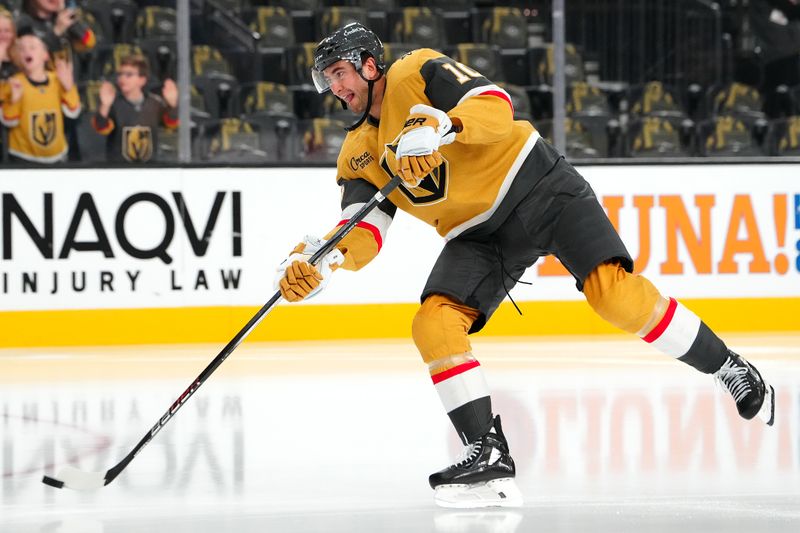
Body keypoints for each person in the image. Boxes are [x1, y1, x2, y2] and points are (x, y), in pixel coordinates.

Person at [274, 23, 776, 508]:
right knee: (432, 323)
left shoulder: (416, 72)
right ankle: (486, 450)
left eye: (340, 72)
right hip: (478, 236)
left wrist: (443, 123)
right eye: (327, 79)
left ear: (369, 64)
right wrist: (324, 258)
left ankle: (730, 366)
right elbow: (365, 230)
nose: (335, 87)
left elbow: (496, 106)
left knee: (613, 294)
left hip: (538, 186)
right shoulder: (359, 152)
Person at [0, 30, 79, 163]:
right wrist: (14, 101)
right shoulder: (14, 83)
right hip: (23, 157)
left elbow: (73, 112)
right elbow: (8, 121)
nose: (26, 51)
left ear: (45, 55)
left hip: (57, 156)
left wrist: (68, 88)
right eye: (22, 49)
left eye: (32, 47)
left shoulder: (58, 79)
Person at [92, 54, 178, 163]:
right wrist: (105, 106)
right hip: (118, 169)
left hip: (149, 168)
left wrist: (173, 105)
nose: (122, 78)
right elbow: (101, 128)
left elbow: (171, 124)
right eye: (120, 74)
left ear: (142, 80)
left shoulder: (154, 103)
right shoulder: (114, 104)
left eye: (129, 75)